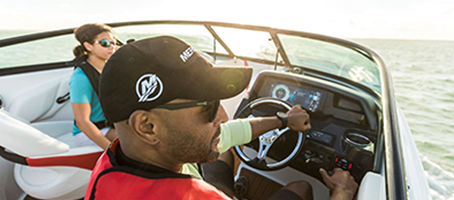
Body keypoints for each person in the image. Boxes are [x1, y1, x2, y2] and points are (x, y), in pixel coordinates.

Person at [85, 36, 358, 200]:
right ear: (147, 126)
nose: (223, 115)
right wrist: (342, 194)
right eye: (208, 108)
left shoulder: (114, 161)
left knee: (223, 153)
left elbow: (231, 131)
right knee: (301, 187)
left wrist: (283, 120)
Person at [69, 23, 118, 149]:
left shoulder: (110, 69)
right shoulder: (81, 78)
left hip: (111, 125)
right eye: (105, 43)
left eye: (113, 42)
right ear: (88, 46)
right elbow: (82, 122)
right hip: (90, 131)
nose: (112, 46)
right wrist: (110, 151)